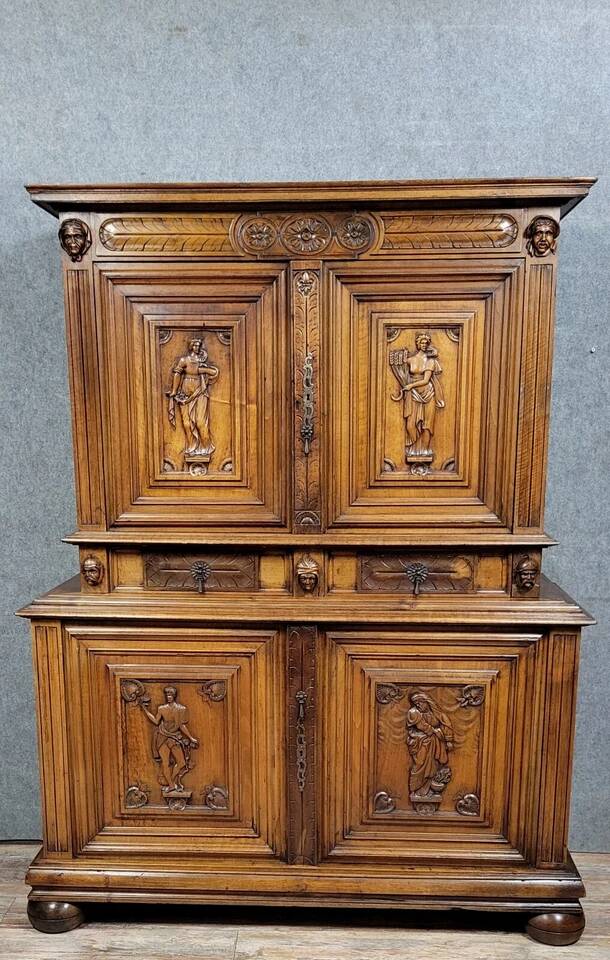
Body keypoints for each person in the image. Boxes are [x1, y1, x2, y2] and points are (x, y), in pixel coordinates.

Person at [390, 333, 444, 462]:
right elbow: (400, 369)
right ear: (418, 344)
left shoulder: (431, 361)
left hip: (428, 393)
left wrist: (410, 386)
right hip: (413, 394)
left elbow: (425, 380)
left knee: (427, 425)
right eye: (422, 343)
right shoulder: (410, 360)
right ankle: (414, 449)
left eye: (426, 343)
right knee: (410, 424)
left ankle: (424, 451)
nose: (424, 345)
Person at [140, 686, 198, 793]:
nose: (169, 697)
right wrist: (145, 709)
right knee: (165, 763)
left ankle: (172, 780)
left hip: (174, 737)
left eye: (171, 695)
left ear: (174, 696)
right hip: (162, 737)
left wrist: (191, 738)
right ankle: (171, 785)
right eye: (167, 695)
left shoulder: (181, 709)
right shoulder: (161, 708)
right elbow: (156, 721)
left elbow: (181, 725)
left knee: (181, 763)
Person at [168, 338, 219, 459]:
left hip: (200, 392)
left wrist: (201, 370)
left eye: (198, 345)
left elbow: (213, 372)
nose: (197, 348)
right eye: (195, 345)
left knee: (200, 422)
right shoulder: (184, 360)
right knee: (186, 423)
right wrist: (174, 391)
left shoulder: (201, 361)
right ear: (191, 346)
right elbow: (177, 374)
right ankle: (192, 447)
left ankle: (206, 447)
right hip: (185, 392)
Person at [406, 691, 453, 798]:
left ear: (426, 702)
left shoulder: (437, 714)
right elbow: (421, 726)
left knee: (433, 766)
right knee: (420, 764)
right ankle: (415, 789)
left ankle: (426, 791)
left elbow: (446, 725)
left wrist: (448, 740)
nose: (418, 705)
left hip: (434, 744)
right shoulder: (414, 712)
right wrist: (435, 731)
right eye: (416, 703)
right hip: (420, 743)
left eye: (419, 702)